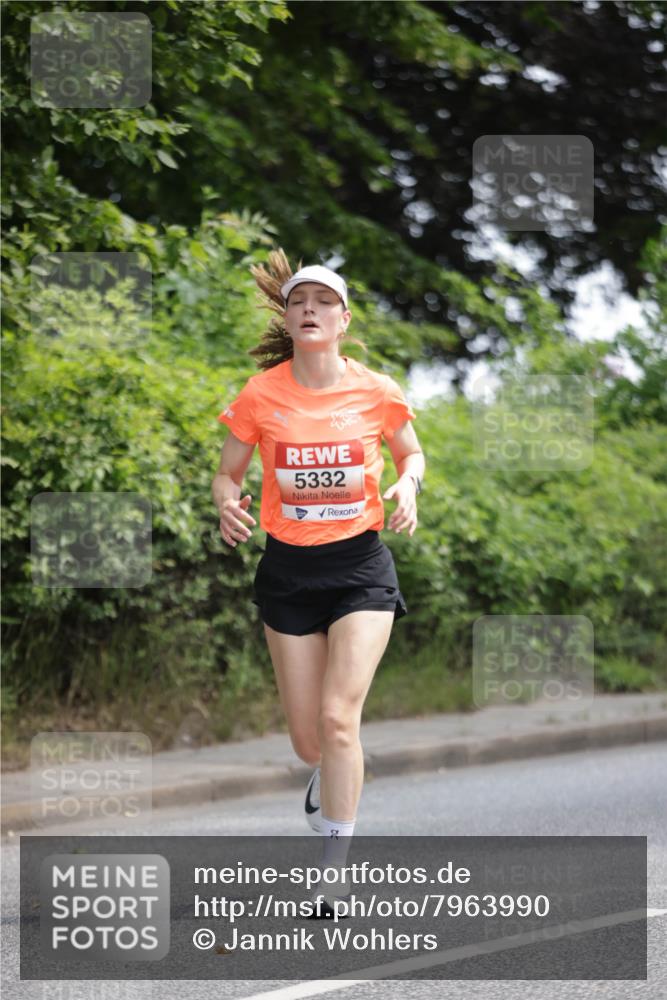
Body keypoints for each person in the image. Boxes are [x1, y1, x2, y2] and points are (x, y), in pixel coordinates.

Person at [212, 250, 425, 916]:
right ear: (288, 315)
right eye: (298, 301)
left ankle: (332, 873)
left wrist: (407, 484)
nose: (308, 309)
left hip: (360, 566)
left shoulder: (375, 389)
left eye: (322, 302)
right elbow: (227, 471)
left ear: (342, 319)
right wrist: (226, 500)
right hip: (288, 571)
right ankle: (328, 776)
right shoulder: (260, 393)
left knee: (339, 720)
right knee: (310, 742)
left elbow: (409, 450)